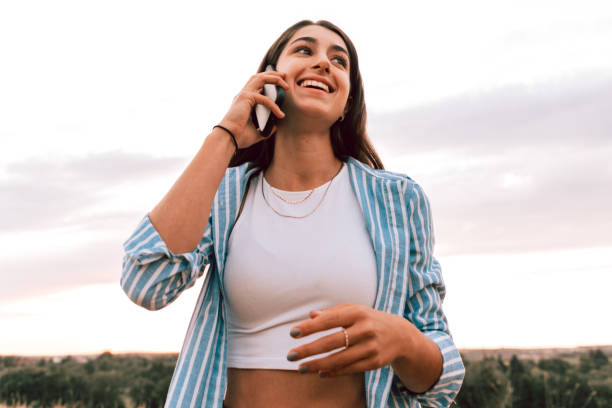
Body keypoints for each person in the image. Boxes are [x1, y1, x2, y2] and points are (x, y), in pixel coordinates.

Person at [121, 20, 464, 408]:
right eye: (304, 50)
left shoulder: (399, 200)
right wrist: (226, 135)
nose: (323, 62)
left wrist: (404, 340)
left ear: (348, 101)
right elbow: (147, 282)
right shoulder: (223, 194)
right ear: (268, 79)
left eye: (339, 60)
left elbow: (440, 380)